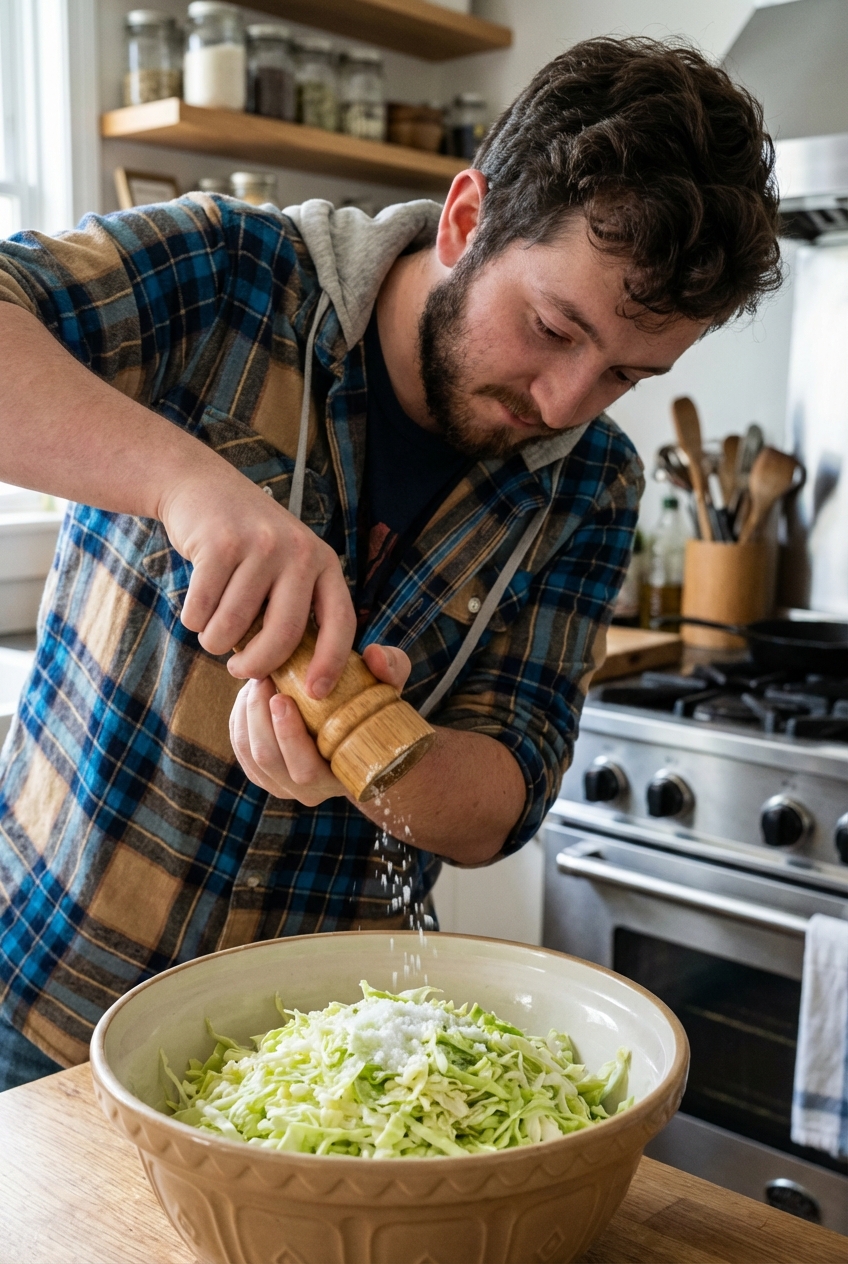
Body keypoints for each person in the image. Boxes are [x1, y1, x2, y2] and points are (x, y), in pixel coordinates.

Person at [0, 37, 780, 1089]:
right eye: (552, 327)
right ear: (466, 219)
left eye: (623, 377)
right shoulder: (228, 278)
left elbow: (506, 797)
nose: (563, 404)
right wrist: (187, 484)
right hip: (41, 1002)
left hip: (315, 1073)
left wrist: (380, 761)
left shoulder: (592, 485)